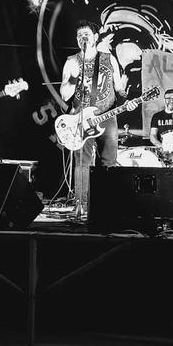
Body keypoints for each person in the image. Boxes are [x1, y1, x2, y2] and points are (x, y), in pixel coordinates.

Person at [60, 20, 138, 208]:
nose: (82, 38)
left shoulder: (109, 58)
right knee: (82, 163)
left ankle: (106, 204)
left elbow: (119, 88)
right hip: (81, 118)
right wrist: (73, 78)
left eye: (86, 34)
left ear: (95, 37)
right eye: (79, 36)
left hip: (107, 115)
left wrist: (127, 100)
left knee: (109, 161)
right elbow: (64, 95)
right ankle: (82, 204)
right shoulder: (71, 61)